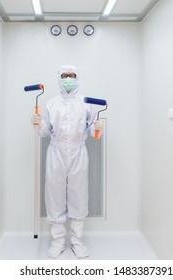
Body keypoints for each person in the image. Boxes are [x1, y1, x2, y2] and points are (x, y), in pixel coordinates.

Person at [31, 65, 103, 259]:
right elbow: (45, 132)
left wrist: (97, 127)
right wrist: (38, 122)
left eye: (71, 76)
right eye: (64, 76)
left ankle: (78, 241)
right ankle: (58, 242)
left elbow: (91, 133)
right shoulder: (51, 103)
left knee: (78, 193)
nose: (68, 79)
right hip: (56, 151)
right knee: (54, 194)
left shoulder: (86, 102)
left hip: (79, 151)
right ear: (59, 78)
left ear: (77, 78)